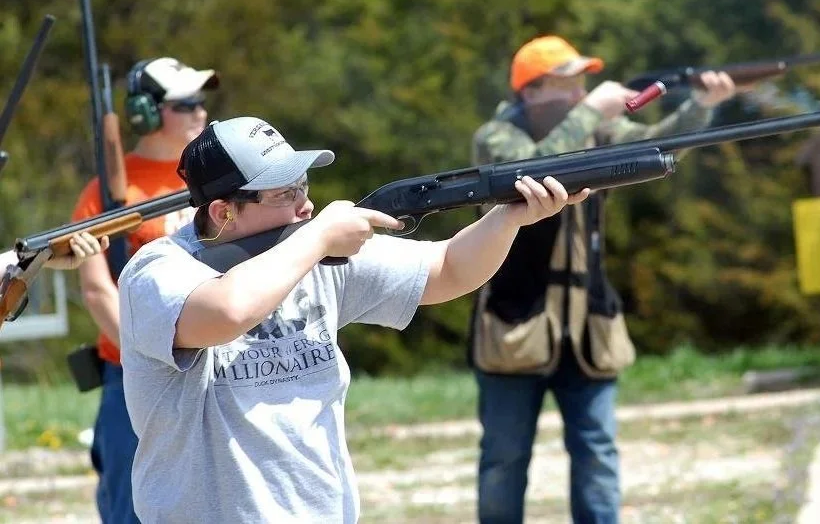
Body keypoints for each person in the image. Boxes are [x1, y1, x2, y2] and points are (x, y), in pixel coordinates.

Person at [115, 115, 587, 522]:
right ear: (223, 212)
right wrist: (318, 238)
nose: (305, 205)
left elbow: (449, 269)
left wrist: (507, 218)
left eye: (303, 186)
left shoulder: (310, 250)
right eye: (285, 193)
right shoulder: (159, 271)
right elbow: (227, 312)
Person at [468, 35, 743, 523]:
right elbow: (533, 168)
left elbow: (659, 145)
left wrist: (701, 106)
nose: (581, 94)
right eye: (567, 85)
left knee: (597, 453)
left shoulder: (594, 129)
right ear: (530, 92)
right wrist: (592, 111)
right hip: (513, 323)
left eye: (583, 86)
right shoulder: (496, 136)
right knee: (503, 460)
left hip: (587, 326)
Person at [71, 57, 219, 524]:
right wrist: (148, 352)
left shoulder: (216, 179)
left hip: (217, 365)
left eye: (200, 101)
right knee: (131, 509)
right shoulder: (107, 194)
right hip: (135, 372)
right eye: (186, 104)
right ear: (146, 113)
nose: (200, 112)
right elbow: (98, 290)